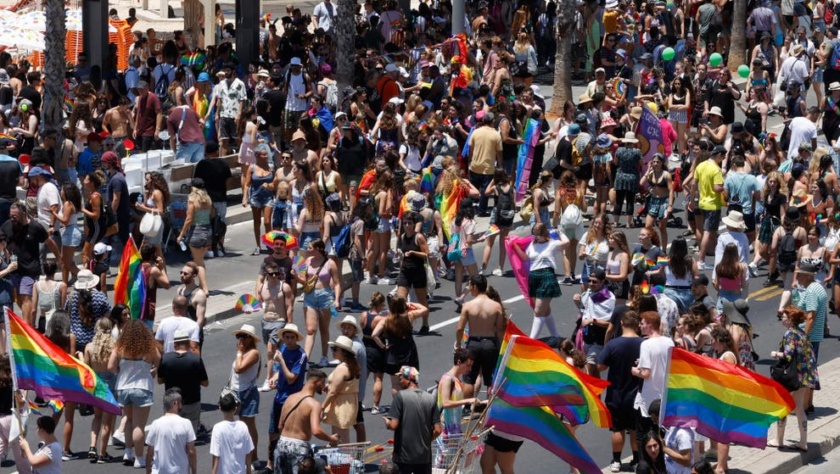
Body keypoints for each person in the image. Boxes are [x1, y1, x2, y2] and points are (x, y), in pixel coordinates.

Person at [108, 320, 160, 468]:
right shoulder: (149, 348)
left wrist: (120, 373)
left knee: (129, 421)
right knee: (139, 425)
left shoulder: (120, 347)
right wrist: (153, 370)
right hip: (142, 387)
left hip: (123, 388)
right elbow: (158, 361)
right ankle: (139, 458)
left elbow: (111, 366)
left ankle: (128, 452)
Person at [598, 310, 644, 472]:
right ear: (638, 325)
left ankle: (616, 460)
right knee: (634, 429)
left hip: (616, 394)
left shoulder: (613, 344)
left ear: (622, 324)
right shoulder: (643, 344)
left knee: (617, 429)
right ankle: (637, 459)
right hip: (638, 394)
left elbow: (601, 366)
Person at [769, 306, 819, 452]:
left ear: (790, 320)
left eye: (783, 316)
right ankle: (803, 442)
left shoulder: (789, 334)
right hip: (805, 376)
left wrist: (775, 354)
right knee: (799, 408)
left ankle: (779, 440)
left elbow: (788, 355)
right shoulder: (802, 333)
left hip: (792, 377)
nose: (782, 319)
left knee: (783, 406)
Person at [511, 223, 569, 339]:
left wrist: (560, 232)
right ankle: (555, 335)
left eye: (539, 234)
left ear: (544, 233)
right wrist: (515, 245)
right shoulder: (532, 245)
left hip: (547, 276)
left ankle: (532, 339)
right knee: (545, 309)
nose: (536, 237)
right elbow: (525, 258)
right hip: (533, 277)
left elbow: (566, 243)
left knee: (538, 311)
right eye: (535, 234)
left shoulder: (552, 244)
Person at [275, 369, 339, 474]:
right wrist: (331, 439)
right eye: (322, 382)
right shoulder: (314, 404)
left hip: (282, 444)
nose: (324, 387)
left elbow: (280, 425)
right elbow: (316, 430)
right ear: (315, 382)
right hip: (299, 447)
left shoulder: (290, 398)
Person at [384, 366, 442, 474]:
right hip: (424, 457)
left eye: (401, 378)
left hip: (403, 457)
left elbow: (393, 425)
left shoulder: (400, 396)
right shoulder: (430, 399)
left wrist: (387, 423)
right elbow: (438, 430)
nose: (399, 381)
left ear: (409, 378)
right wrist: (426, 441)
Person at [455, 274, 506, 399]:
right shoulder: (496, 306)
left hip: (473, 343)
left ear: (475, 287)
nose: (470, 289)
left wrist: (458, 343)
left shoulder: (468, 305)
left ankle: (467, 408)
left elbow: (460, 328)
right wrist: (502, 347)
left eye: (470, 286)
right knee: (492, 379)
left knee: (469, 378)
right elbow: (500, 330)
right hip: (490, 343)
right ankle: (490, 408)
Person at [266, 323, 308, 472]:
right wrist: (275, 378)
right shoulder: (283, 349)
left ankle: (288, 463)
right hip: (279, 397)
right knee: (273, 432)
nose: (289, 340)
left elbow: (291, 378)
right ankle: (270, 463)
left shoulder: (300, 355)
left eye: (292, 337)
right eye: (286, 337)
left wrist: (281, 361)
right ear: (283, 338)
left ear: (296, 338)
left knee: (286, 433)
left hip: (291, 401)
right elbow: (282, 373)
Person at [1, 202, 50, 325]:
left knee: (25, 297)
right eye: (10, 215)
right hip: (13, 270)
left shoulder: (35, 227)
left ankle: (27, 328)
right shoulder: (7, 225)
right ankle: (30, 324)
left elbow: (48, 241)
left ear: (23, 214)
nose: (12, 218)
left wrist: (59, 257)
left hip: (29, 270)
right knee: (20, 299)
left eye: (15, 216)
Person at [632, 311, 675, 453]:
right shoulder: (669, 342)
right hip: (665, 395)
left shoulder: (646, 344)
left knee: (643, 435)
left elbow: (646, 373)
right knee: (663, 433)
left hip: (648, 397)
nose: (640, 326)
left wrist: (634, 371)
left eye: (642, 323)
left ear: (650, 325)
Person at [157, 329, 209, 432]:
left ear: (175, 344)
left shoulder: (166, 358)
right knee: (189, 435)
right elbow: (205, 382)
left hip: (171, 402)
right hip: (192, 402)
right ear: (189, 343)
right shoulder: (196, 359)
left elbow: (160, 380)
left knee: (172, 434)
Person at [83, 317, 117, 463]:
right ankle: (102, 453)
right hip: (109, 385)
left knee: (96, 417)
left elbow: (86, 368)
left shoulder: (89, 347)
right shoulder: (114, 347)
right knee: (107, 421)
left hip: (96, 386)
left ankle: (92, 446)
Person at [257, 261, 294, 392]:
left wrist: (289, 323)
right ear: (266, 274)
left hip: (279, 320)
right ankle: (282, 372)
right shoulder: (262, 287)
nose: (274, 276)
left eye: (276, 274)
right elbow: (259, 304)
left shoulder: (284, 287)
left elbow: (290, 306)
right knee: (277, 351)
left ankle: (268, 379)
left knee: (270, 350)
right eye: (271, 274)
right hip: (266, 321)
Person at [144, 388, 198, 474]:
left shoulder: (156, 424)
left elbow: (149, 452)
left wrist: (148, 470)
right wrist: (194, 471)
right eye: (181, 402)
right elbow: (191, 452)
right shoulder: (186, 423)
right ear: (175, 403)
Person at [230, 324, 262, 466]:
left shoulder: (253, 353)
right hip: (235, 391)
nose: (241, 339)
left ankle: (253, 458)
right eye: (239, 336)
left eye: (244, 336)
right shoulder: (243, 352)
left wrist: (239, 353)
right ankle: (242, 456)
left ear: (251, 339)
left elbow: (239, 369)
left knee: (248, 426)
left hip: (247, 393)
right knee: (235, 426)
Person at [575, 268, 616, 376]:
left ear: (603, 282)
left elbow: (610, 323)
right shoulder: (589, 293)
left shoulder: (608, 298)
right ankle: (596, 392)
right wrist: (578, 302)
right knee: (594, 373)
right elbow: (585, 311)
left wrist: (593, 321)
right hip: (587, 336)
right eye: (589, 280)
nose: (591, 284)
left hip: (599, 340)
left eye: (594, 281)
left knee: (587, 371)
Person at [395, 210, 431, 331]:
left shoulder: (418, 237)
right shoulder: (402, 237)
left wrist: (413, 252)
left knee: (421, 300)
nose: (407, 226)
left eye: (409, 223)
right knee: (401, 300)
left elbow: (427, 254)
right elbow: (402, 253)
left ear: (414, 224)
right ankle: (404, 324)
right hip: (405, 271)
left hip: (418, 271)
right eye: (405, 223)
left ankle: (425, 324)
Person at [176, 178, 213, 293]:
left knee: (199, 262)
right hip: (208, 230)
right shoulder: (207, 199)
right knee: (200, 260)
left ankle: (205, 288)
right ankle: (202, 286)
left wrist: (181, 234)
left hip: (196, 231)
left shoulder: (192, 199)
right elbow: (212, 214)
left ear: (193, 187)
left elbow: (189, 218)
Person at [322, 335, 361, 443]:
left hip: (340, 404)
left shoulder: (342, 368)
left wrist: (322, 407)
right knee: (342, 437)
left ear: (344, 352)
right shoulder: (352, 365)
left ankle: (344, 459)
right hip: (349, 402)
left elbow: (333, 392)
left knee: (339, 439)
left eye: (335, 349)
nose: (332, 351)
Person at [694, 145, 726, 270]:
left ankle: (719, 256)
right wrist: (725, 185)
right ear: (718, 155)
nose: (722, 159)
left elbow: (693, 184)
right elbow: (716, 188)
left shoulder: (701, 166)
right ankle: (701, 260)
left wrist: (692, 201)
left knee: (711, 231)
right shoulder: (716, 169)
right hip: (713, 204)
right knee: (707, 232)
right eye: (722, 157)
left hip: (702, 202)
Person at [211, 393, 255, 474]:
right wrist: (248, 471)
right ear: (235, 409)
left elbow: (216, 456)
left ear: (220, 408)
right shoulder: (243, 426)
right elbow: (248, 452)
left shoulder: (217, 428)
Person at [176, 261, 208, 350]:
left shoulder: (199, 295)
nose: (182, 275)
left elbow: (200, 320)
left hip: (193, 335)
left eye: (186, 274)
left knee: (194, 362)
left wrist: (192, 336)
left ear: (194, 276)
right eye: (181, 272)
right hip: (181, 333)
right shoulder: (179, 290)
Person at [139, 242, 171, 329]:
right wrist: (161, 268)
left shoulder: (137, 267)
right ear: (153, 255)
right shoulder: (153, 270)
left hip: (137, 305)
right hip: (147, 308)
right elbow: (167, 285)